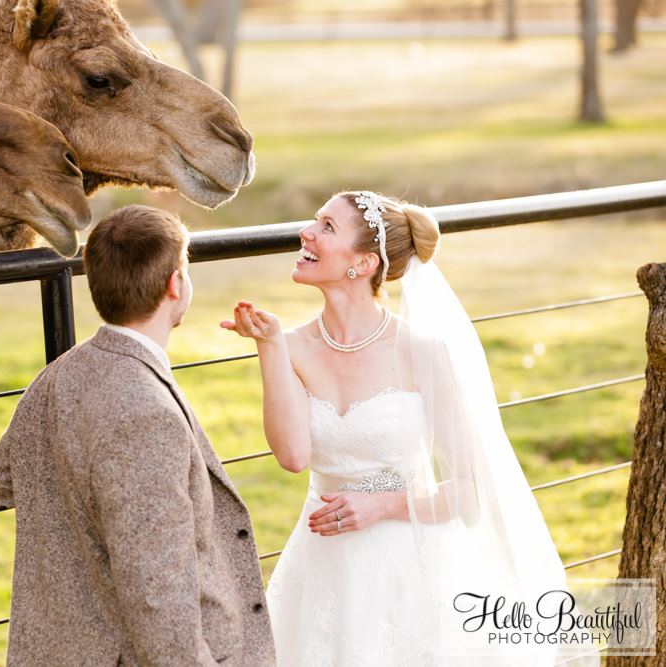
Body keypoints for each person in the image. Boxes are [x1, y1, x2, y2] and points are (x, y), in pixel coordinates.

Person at [221, 191, 599, 665]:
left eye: (326, 227)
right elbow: (293, 457)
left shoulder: (421, 350)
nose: (306, 232)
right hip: (323, 566)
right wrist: (270, 346)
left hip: (412, 566)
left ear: (363, 263)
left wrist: (383, 504)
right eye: (314, 221)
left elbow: (471, 491)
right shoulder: (291, 345)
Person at [0, 204, 276, 666]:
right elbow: (157, 597)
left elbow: (1, 482)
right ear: (175, 284)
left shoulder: (58, 375)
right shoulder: (145, 414)